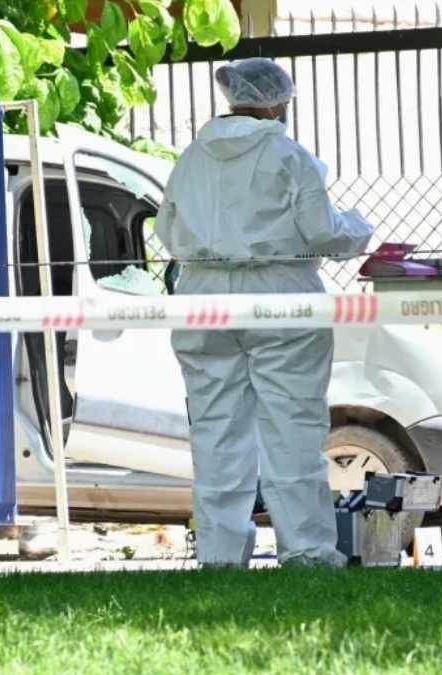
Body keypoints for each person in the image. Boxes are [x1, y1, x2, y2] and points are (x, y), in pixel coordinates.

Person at [156, 58, 374, 568]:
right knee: (292, 425)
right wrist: (359, 229)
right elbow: (323, 231)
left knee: (215, 428)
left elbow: (167, 232)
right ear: (277, 102)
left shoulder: (191, 158)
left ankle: (220, 554)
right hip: (281, 292)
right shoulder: (288, 154)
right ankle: (307, 551)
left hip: (203, 296)